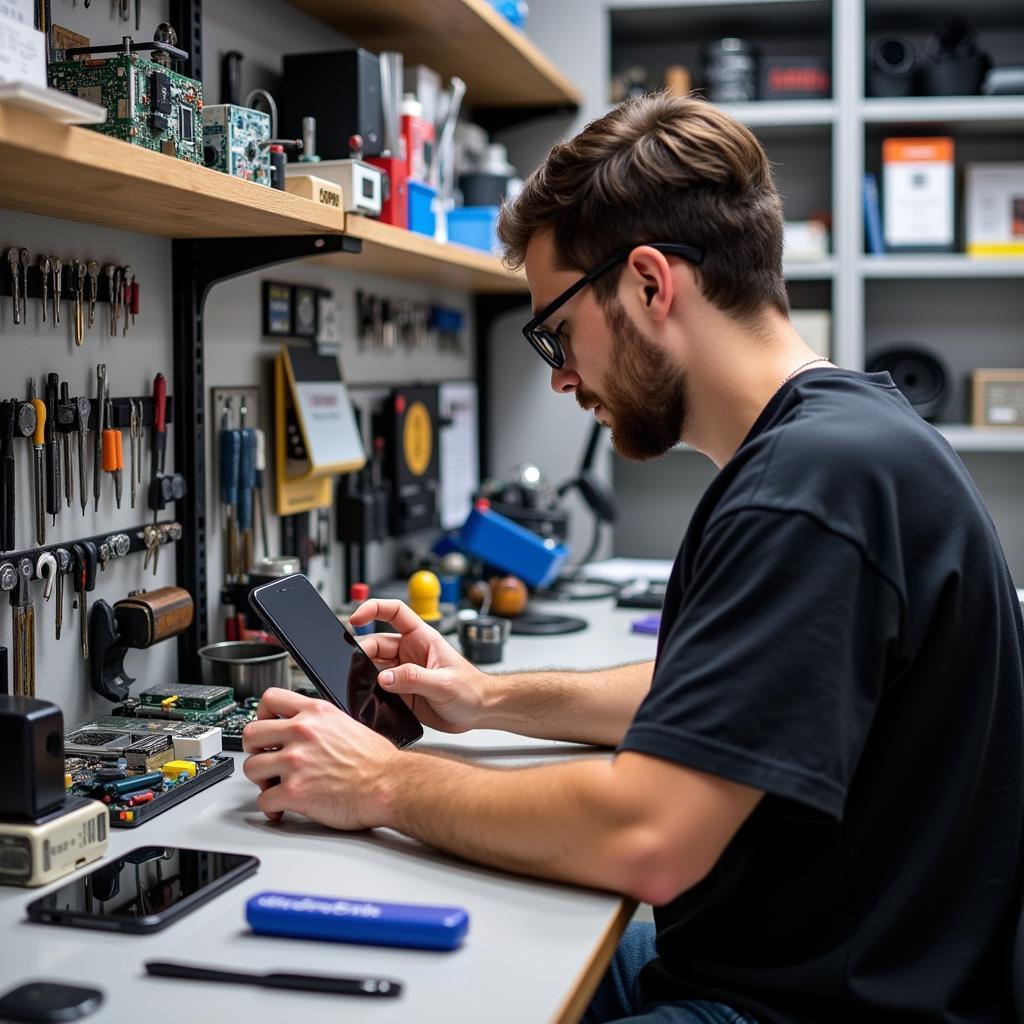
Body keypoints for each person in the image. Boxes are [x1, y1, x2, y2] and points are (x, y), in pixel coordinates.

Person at [242, 93, 1024, 1022]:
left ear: (651, 284)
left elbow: (647, 838)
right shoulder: (847, 437)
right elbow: (723, 698)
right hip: (810, 952)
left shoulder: (811, 486)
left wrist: (379, 781)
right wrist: (484, 700)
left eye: (557, 333)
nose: (562, 377)